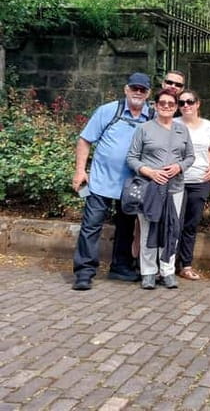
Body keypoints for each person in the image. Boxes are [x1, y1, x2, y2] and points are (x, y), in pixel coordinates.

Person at [71, 72, 154, 290]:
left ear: (148, 93)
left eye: (142, 90)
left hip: (132, 184)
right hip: (100, 181)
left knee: (126, 227)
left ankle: (121, 267)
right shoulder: (108, 111)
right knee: (91, 225)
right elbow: (85, 140)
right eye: (134, 88)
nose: (138, 92)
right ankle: (84, 272)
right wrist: (80, 171)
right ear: (126, 89)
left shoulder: (152, 116)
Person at [126, 89, 195, 289]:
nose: (166, 106)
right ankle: (148, 272)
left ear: (175, 108)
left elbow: (190, 156)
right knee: (148, 229)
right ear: (155, 105)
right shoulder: (144, 129)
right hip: (150, 188)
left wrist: (178, 167)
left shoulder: (182, 130)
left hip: (175, 188)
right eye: (162, 103)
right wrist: (149, 171)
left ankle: (167, 271)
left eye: (171, 104)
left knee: (171, 230)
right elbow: (132, 157)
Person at [175, 90, 210, 280]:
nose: (186, 105)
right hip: (176, 181)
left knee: (190, 225)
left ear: (198, 104)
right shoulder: (172, 124)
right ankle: (167, 264)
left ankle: (185, 265)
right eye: (182, 102)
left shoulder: (208, 127)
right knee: (173, 224)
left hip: (199, 181)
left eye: (190, 102)